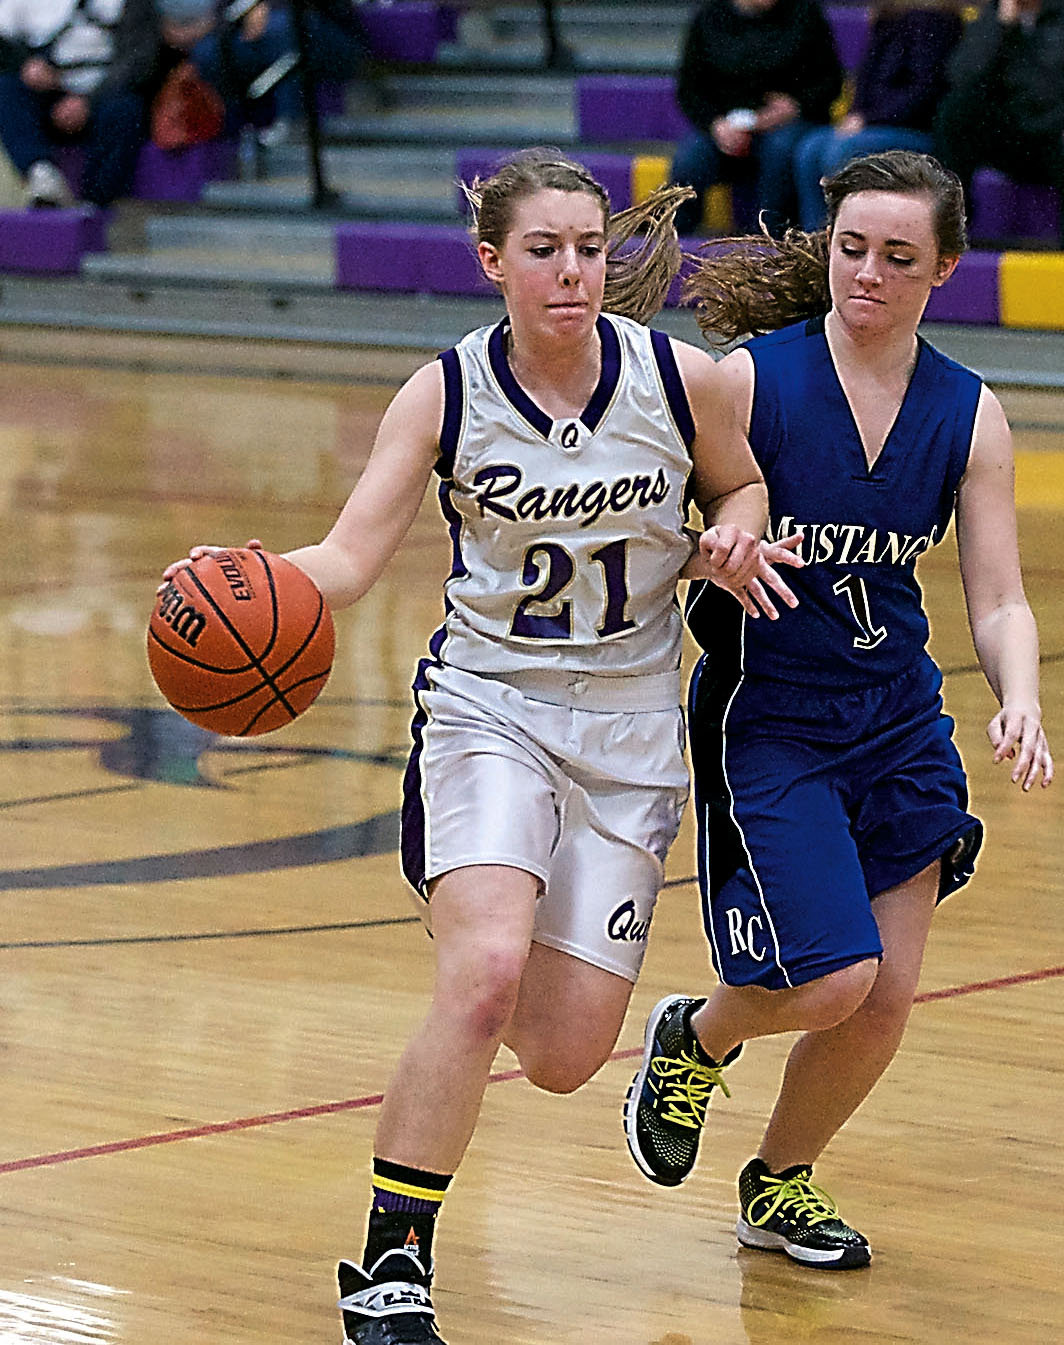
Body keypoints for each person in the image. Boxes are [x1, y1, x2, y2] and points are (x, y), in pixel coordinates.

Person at [161, 148, 801, 1344]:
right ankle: (389, 1264)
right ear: (491, 262)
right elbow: (346, 561)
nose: (572, 272)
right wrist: (230, 575)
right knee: (483, 976)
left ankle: (509, 957)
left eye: (589, 248)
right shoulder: (444, 394)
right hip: (490, 710)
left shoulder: (684, 379)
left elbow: (744, 487)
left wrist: (733, 535)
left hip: (627, 734)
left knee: (562, 1054)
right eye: (545, 250)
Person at [623, 149, 1054, 1269]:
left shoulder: (968, 413)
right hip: (771, 717)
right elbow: (657, 539)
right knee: (831, 973)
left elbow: (998, 595)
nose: (866, 273)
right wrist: (710, 551)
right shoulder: (751, 384)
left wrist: (1022, 699)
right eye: (851, 248)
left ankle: (779, 1183)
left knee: (884, 995)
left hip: (898, 720)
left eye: (896, 257)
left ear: (942, 269)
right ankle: (694, 1036)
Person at [930, 0, 1064, 252]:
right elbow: (962, 78)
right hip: (1021, 136)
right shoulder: (995, 15)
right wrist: (1001, 27)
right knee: (955, 113)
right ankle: (953, 233)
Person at [670, 0, 842, 237]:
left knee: (780, 151)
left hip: (788, 123)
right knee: (690, 158)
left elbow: (831, 82)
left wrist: (795, 106)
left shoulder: (805, 13)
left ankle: (768, 242)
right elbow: (689, 90)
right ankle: (674, 241)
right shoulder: (709, 17)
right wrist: (716, 125)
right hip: (727, 125)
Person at [793, 0, 964, 230]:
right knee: (810, 147)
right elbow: (865, 81)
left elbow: (924, 92)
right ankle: (815, 237)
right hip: (873, 124)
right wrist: (854, 114)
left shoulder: (936, 21)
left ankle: (850, 234)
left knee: (841, 150)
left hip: (916, 129)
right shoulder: (887, 17)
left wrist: (868, 120)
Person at [0, 0, 162, 208]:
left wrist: (88, 102)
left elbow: (139, 59)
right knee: (7, 89)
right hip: (48, 89)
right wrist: (24, 65)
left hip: (105, 91)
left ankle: (97, 204)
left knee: (125, 110)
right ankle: (41, 175)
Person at [161, 0, 367, 145]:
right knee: (207, 51)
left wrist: (268, 7)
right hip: (261, 35)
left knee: (282, 28)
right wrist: (242, 18)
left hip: (328, 35)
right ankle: (234, 133)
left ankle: (292, 120)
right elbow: (223, 14)